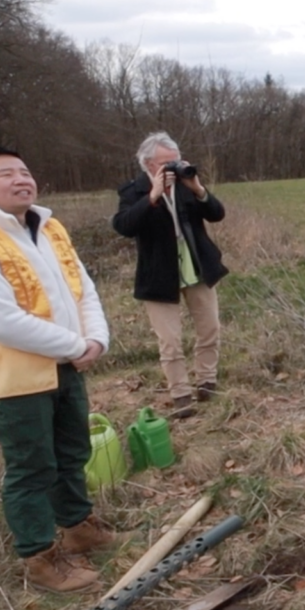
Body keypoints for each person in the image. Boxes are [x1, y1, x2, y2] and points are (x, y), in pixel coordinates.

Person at [0, 148, 128, 593]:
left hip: (67, 367)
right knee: (31, 467)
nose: (22, 179)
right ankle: (40, 558)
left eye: (25, 171)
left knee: (71, 453)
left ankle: (79, 528)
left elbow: (83, 290)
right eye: (7, 174)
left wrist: (96, 338)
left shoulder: (48, 229)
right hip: (15, 382)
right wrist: (75, 345)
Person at [112, 132, 229, 420]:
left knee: (209, 328)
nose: (173, 167)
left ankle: (207, 381)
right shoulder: (133, 191)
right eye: (167, 163)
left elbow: (216, 214)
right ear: (149, 165)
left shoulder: (186, 185)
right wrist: (152, 196)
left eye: (176, 160)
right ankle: (181, 394)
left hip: (195, 266)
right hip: (158, 274)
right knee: (170, 339)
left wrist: (199, 189)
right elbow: (124, 225)